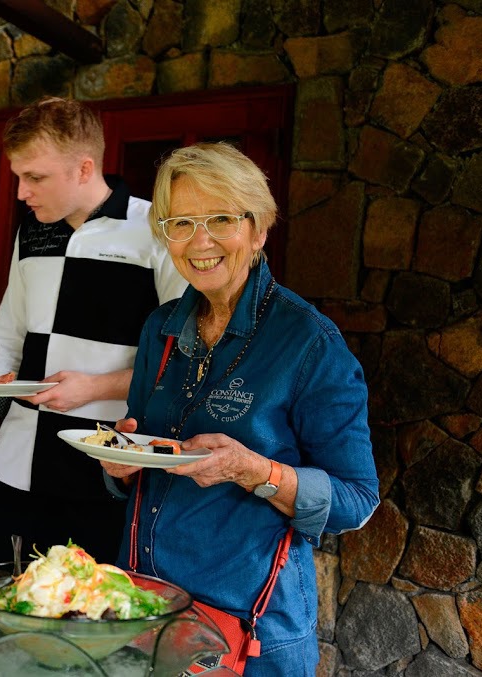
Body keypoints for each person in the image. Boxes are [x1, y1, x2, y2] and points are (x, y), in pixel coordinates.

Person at [102, 142, 379, 675]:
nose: (199, 241)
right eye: (180, 222)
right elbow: (139, 454)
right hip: (143, 609)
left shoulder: (309, 342)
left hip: (249, 633)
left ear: (258, 229)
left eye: (221, 218)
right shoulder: (159, 327)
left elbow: (357, 500)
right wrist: (120, 464)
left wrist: (254, 471)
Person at [0, 97, 187, 566]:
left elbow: (183, 356)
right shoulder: (33, 231)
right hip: (15, 463)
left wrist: (95, 388)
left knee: (82, 619)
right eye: (19, 176)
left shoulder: (157, 231)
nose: (21, 192)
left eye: (34, 177)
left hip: (104, 470)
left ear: (83, 169)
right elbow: (9, 344)